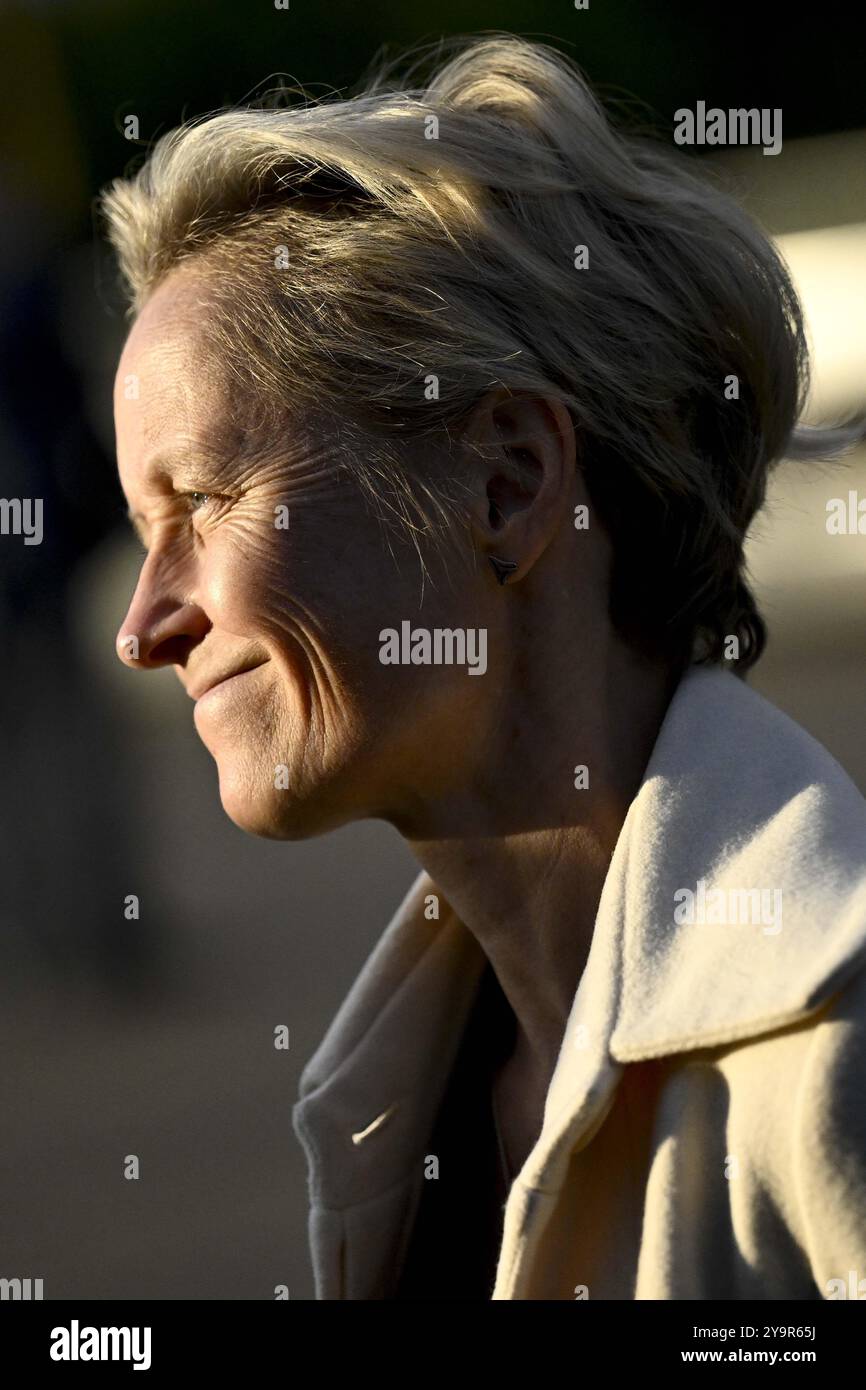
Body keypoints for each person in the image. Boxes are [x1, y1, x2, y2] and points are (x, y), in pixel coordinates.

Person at [104, 34, 866, 1299]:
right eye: (143, 535)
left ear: (507, 481)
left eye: (207, 501)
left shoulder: (836, 1054)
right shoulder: (411, 1086)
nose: (144, 626)